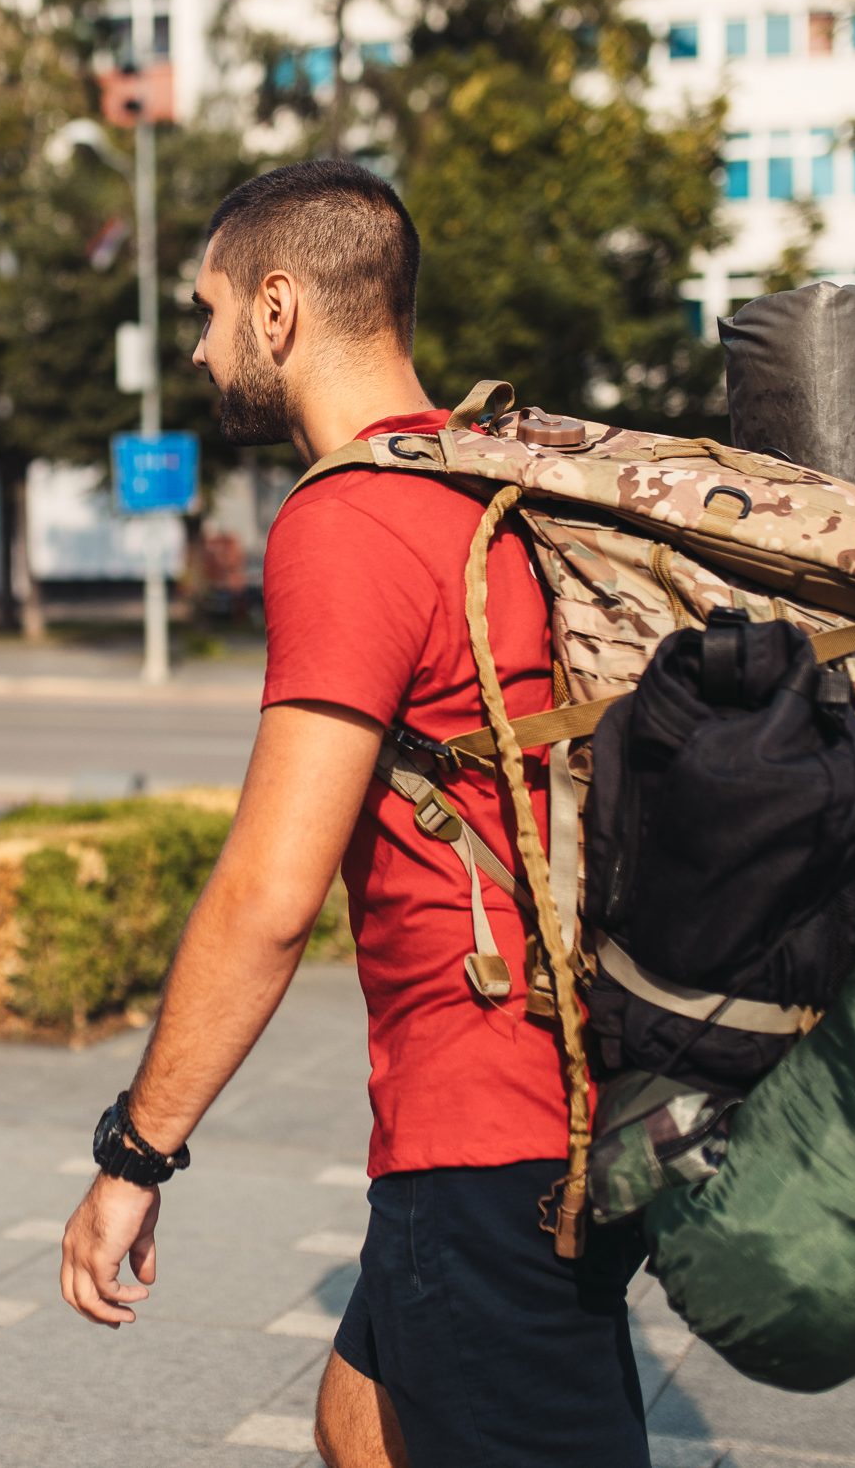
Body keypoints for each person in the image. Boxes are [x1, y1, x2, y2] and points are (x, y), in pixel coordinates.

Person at [57, 161, 647, 1468]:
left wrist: (134, 1153)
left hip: (489, 1131)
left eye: (209, 312)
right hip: (557, 1095)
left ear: (280, 310)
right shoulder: (483, 490)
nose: (203, 349)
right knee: (361, 1415)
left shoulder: (350, 522)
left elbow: (270, 894)